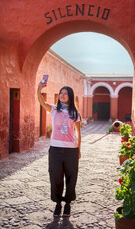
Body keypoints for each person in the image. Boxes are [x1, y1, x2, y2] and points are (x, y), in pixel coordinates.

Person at [37, 79, 81, 217]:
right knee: (55, 177)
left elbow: (78, 133)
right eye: (61, 93)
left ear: (70, 96)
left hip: (71, 150)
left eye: (65, 93)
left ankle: (67, 204)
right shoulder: (54, 109)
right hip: (55, 150)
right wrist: (39, 89)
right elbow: (42, 102)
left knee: (71, 177)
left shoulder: (75, 113)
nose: (62, 95)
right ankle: (58, 204)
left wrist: (79, 149)